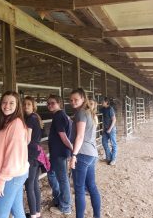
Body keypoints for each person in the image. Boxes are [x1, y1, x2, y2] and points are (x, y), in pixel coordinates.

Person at [70, 88, 101, 218]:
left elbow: (80, 136)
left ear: (83, 99)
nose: (73, 102)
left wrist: (74, 155)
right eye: (71, 100)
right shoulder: (90, 113)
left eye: (76, 99)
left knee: (79, 189)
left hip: (82, 154)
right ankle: (97, 215)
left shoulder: (81, 113)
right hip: (92, 154)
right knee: (91, 186)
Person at [46, 95, 73, 215]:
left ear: (59, 103)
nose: (50, 105)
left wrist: (73, 150)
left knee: (63, 179)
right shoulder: (61, 115)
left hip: (59, 153)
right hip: (56, 152)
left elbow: (63, 137)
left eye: (52, 103)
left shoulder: (58, 116)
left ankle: (65, 207)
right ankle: (58, 199)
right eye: (48, 103)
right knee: (51, 173)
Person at [23, 96, 44, 218]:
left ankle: (32, 215)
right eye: (24, 104)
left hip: (31, 154)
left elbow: (28, 138)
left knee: (29, 185)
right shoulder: (36, 116)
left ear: (33, 106)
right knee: (34, 183)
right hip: (37, 153)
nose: (26, 106)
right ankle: (37, 212)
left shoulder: (30, 118)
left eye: (29, 104)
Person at [100, 96, 117, 165]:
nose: (101, 102)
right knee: (104, 143)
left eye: (102, 101)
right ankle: (108, 157)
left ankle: (113, 159)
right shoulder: (103, 109)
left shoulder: (110, 109)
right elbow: (95, 111)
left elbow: (114, 119)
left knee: (113, 144)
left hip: (111, 129)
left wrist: (110, 129)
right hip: (105, 129)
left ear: (106, 102)